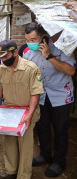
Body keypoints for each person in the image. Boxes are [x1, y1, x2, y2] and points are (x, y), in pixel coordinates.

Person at [23, 22, 76, 178]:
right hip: (41, 96)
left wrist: (49, 57)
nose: (30, 43)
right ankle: (45, 155)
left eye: (34, 39)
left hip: (61, 95)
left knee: (60, 130)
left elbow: (71, 70)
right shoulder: (27, 52)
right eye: (28, 40)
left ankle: (59, 162)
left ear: (43, 37)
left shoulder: (62, 48)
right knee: (42, 127)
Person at [0, 40, 43, 179]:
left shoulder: (31, 68)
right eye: (1, 57)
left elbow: (35, 93)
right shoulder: (2, 68)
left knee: (25, 147)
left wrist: (29, 115)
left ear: (15, 52)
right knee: (9, 143)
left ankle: (23, 175)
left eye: (6, 56)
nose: (3, 60)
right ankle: (11, 171)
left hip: (26, 113)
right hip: (8, 112)